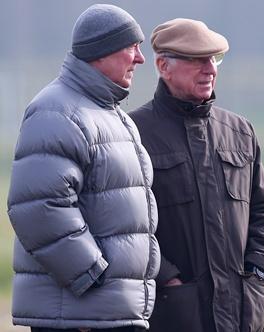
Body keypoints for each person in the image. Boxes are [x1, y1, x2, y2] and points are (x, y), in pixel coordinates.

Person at [7, 4, 160, 332]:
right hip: (80, 314)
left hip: (105, 311)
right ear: (101, 51)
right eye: (131, 47)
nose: (140, 58)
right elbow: (39, 207)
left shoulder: (110, 114)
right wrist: (91, 276)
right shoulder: (56, 111)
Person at [130, 18, 264, 332]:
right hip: (173, 314)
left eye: (214, 59)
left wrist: (259, 271)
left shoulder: (240, 132)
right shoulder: (133, 134)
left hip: (243, 312)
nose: (210, 69)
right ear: (162, 65)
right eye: (197, 60)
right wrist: (167, 278)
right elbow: (126, 225)